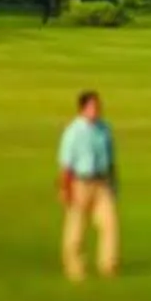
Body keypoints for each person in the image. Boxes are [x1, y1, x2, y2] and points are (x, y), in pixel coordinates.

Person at [56, 89, 119, 281]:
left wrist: (114, 183)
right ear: (83, 108)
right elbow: (66, 164)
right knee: (76, 229)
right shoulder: (73, 132)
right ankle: (75, 269)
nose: (97, 110)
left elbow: (110, 160)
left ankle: (109, 267)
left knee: (110, 225)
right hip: (79, 183)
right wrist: (65, 189)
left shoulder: (104, 129)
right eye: (93, 106)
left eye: (98, 106)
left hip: (101, 183)